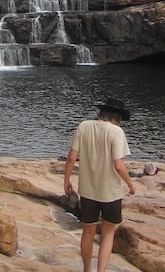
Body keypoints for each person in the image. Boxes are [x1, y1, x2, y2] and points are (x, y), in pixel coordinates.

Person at [64, 97, 135, 272]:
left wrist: (66, 180)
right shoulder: (116, 132)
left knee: (88, 231)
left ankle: (87, 269)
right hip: (110, 192)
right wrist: (130, 184)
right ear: (117, 117)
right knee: (108, 233)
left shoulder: (84, 126)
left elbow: (72, 157)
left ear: (101, 113)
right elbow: (118, 165)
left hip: (87, 191)